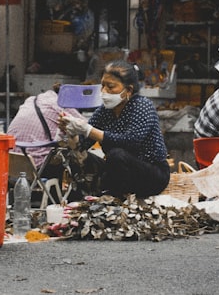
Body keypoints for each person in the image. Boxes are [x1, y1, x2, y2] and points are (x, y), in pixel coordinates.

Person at [58, 60, 170, 198]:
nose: (104, 91)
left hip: (152, 174)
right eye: (103, 86)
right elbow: (83, 144)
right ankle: (83, 198)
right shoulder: (105, 111)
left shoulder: (142, 106)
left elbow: (130, 141)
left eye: (110, 87)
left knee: (116, 155)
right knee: (78, 157)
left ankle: (115, 199)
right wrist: (72, 133)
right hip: (121, 171)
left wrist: (88, 129)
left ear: (128, 90)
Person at [7, 84, 83, 176]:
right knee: (76, 161)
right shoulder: (62, 103)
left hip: (11, 163)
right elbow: (85, 126)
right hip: (37, 166)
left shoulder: (31, 100)